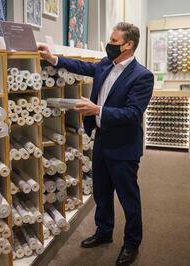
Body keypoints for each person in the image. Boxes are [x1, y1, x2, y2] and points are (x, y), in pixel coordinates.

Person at [38, 22, 154, 266]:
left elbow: (133, 114)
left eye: (113, 41)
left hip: (123, 147)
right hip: (101, 141)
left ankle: (131, 244)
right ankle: (104, 232)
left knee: (128, 198)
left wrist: (97, 109)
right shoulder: (105, 64)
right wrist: (53, 58)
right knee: (101, 192)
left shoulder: (142, 76)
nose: (108, 45)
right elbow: (82, 66)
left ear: (128, 45)